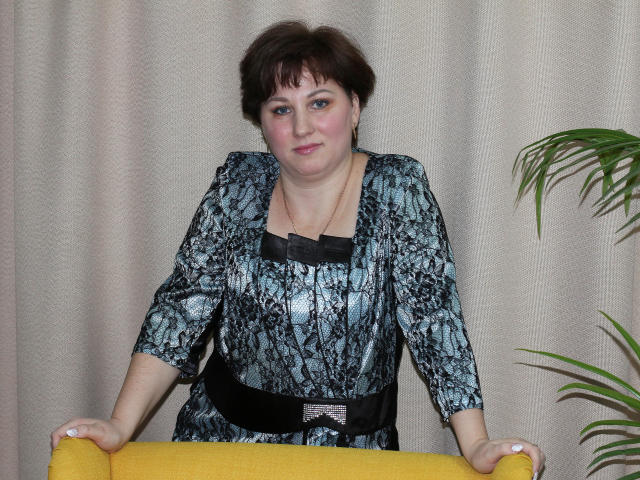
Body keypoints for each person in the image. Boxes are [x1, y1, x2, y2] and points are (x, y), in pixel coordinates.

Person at [51, 20, 544, 477]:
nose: (302, 127)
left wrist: (475, 443)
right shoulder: (237, 187)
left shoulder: (398, 190)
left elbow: (436, 323)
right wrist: (119, 425)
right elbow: (180, 310)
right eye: (281, 109)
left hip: (352, 457)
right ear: (262, 123)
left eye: (320, 103)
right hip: (224, 447)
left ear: (354, 108)